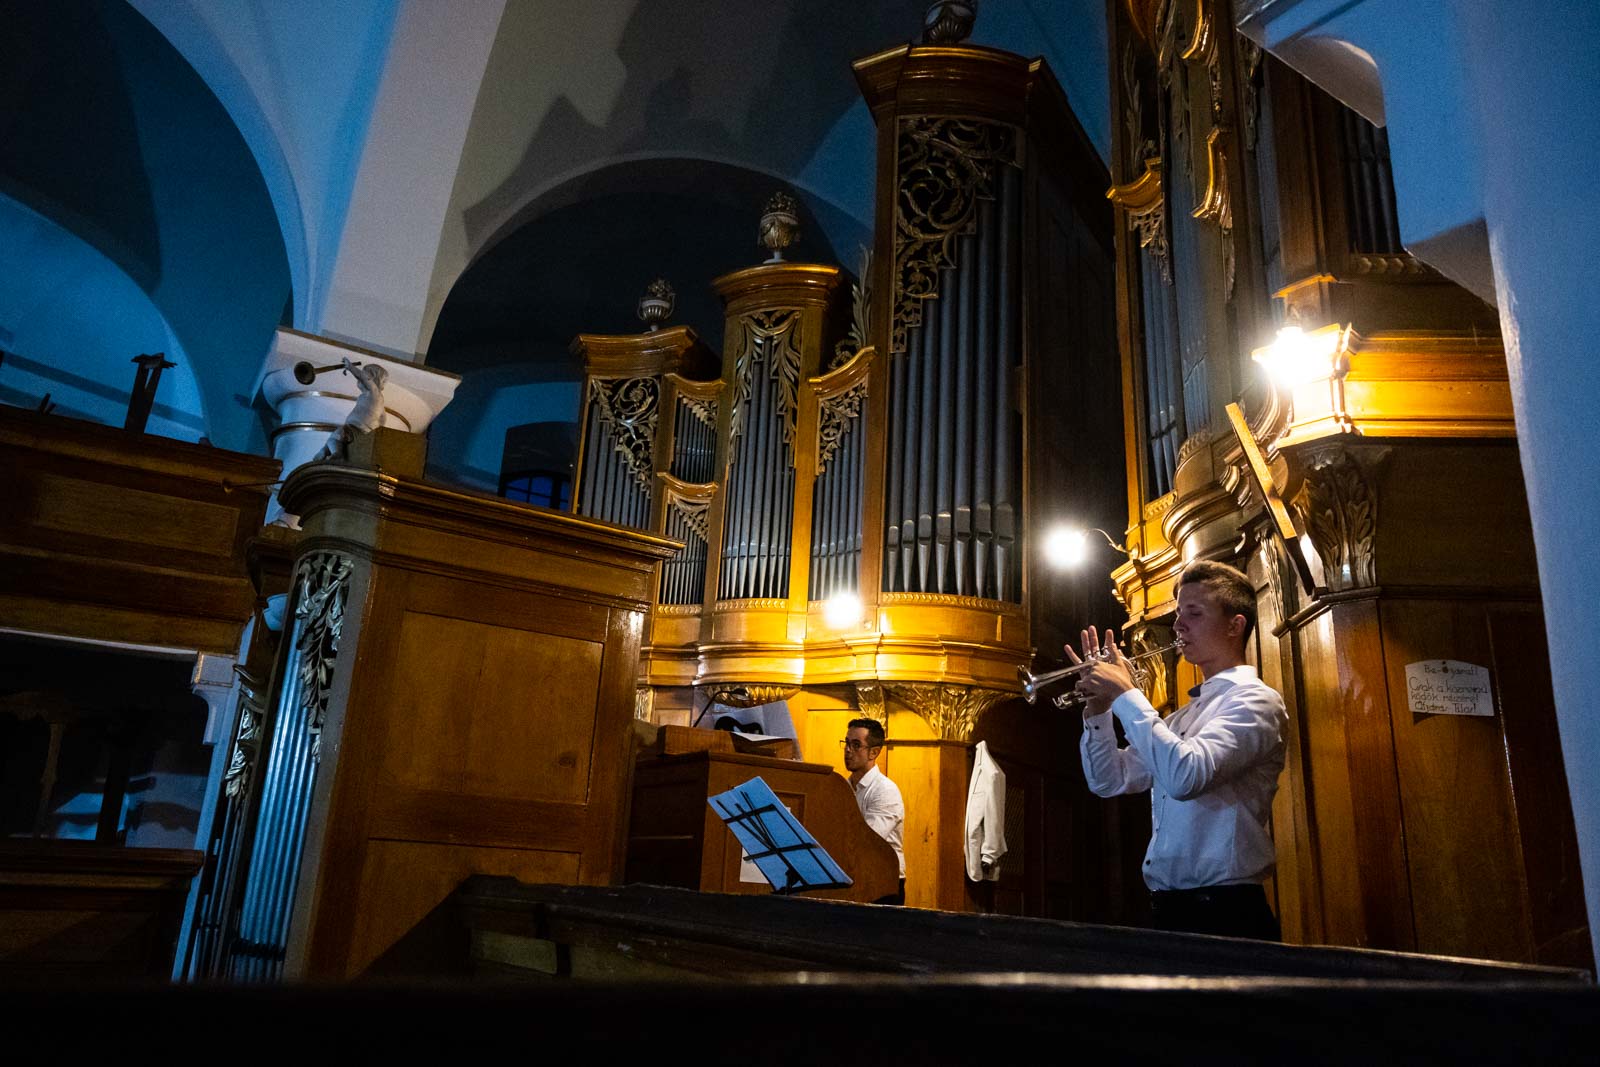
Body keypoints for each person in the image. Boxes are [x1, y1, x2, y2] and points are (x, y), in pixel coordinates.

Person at [1072, 559, 1287, 940]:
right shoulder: (1180, 719)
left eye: (1194, 613)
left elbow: (1185, 776)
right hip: (1170, 909)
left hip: (1227, 913)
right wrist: (1099, 710)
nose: (1178, 625)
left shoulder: (1257, 702)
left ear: (1235, 626)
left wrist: (1126, 693)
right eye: (1177, 614)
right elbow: (1109, 781)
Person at [841, 717, 905, 905]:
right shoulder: (842, 786)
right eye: (846, 743)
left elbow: (867, 840)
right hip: (853, 878)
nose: (847, 750)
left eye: (856, 745)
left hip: (883, 883)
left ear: (874, 752)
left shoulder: (885, 790)